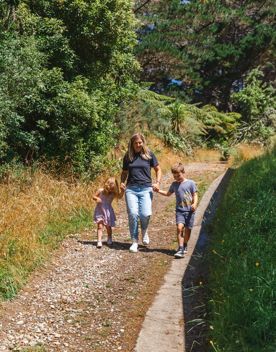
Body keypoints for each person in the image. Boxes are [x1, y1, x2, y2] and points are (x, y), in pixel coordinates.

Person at [120, 133, 162, 253]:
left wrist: (158, 182)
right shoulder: (128, 156)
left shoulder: (149, 154)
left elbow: (158, 169)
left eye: (140, 142)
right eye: (136, 143)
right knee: (133, 214)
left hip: (146, 188)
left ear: (143, 142)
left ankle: (144, 231)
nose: (138, 145)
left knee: (145, 214)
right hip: (131, 189)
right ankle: (134, 242)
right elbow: (124, 172)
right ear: (132, 144)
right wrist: (122, 182)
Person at [155, 163, 198, 258]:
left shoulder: (191, 183)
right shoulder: (174, 184)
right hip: (180, 211)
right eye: (174, 176)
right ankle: (181, 248)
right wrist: (158, 191)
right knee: (179, 228)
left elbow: (195, 195)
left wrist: (194, 204)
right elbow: (168, 193)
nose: (177, 178)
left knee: (188, 230)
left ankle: (185, 244)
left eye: (178, 176)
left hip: (190, 211)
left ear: (183, 172)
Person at [93, 177, 123, 248]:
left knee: (108, 226)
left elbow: (119, 196)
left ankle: (109, 237)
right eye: (110, 188)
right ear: (107, 185)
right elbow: (93, 196)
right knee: (100, 226)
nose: (111, 190)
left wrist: (122, 191)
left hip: (108, 211)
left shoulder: (113, 193)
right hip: (99, 210)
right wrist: (97, 198)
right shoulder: (101, 190)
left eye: (113, 188)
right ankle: (99, 240)